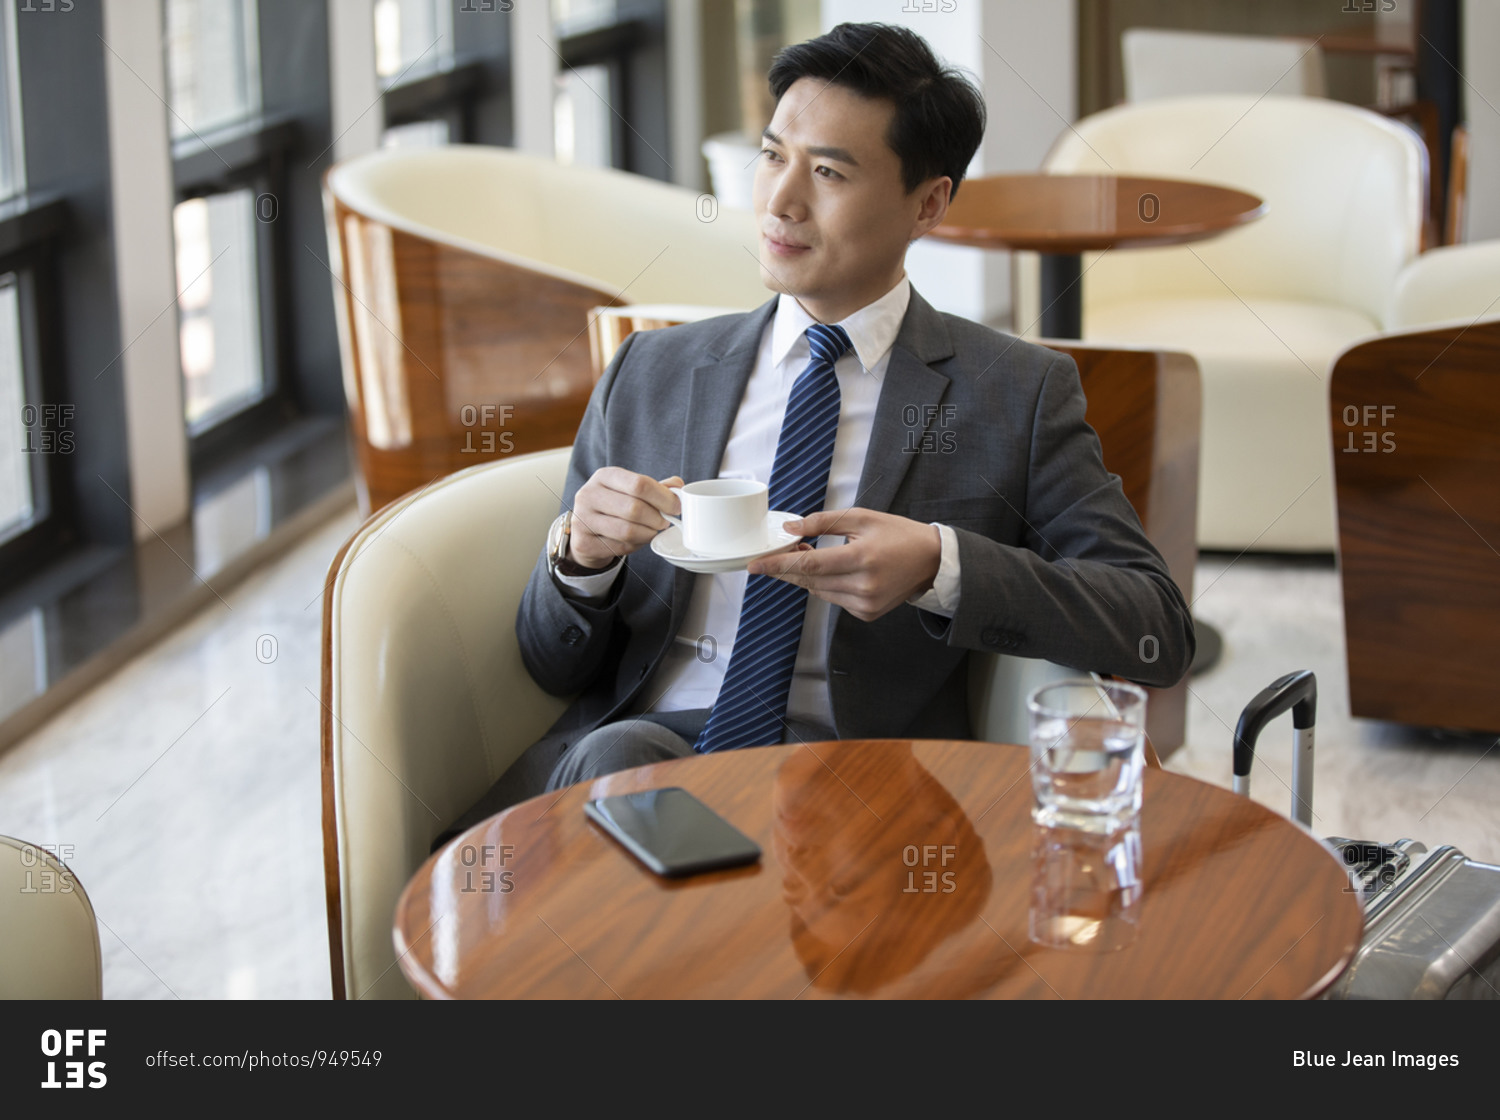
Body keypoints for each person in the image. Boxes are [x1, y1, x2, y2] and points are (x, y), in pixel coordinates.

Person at [444, 22, 1194, 836]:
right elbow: (550, 662)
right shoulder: (650, 373)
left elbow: (1155, 627)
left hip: (857, 795)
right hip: (642, 753)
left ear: (928, 203)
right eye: (772, 156)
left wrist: (941, 568)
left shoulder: (1012, 392)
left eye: (829, 172)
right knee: (617, 764)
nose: (781, 201)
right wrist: (578, 559)